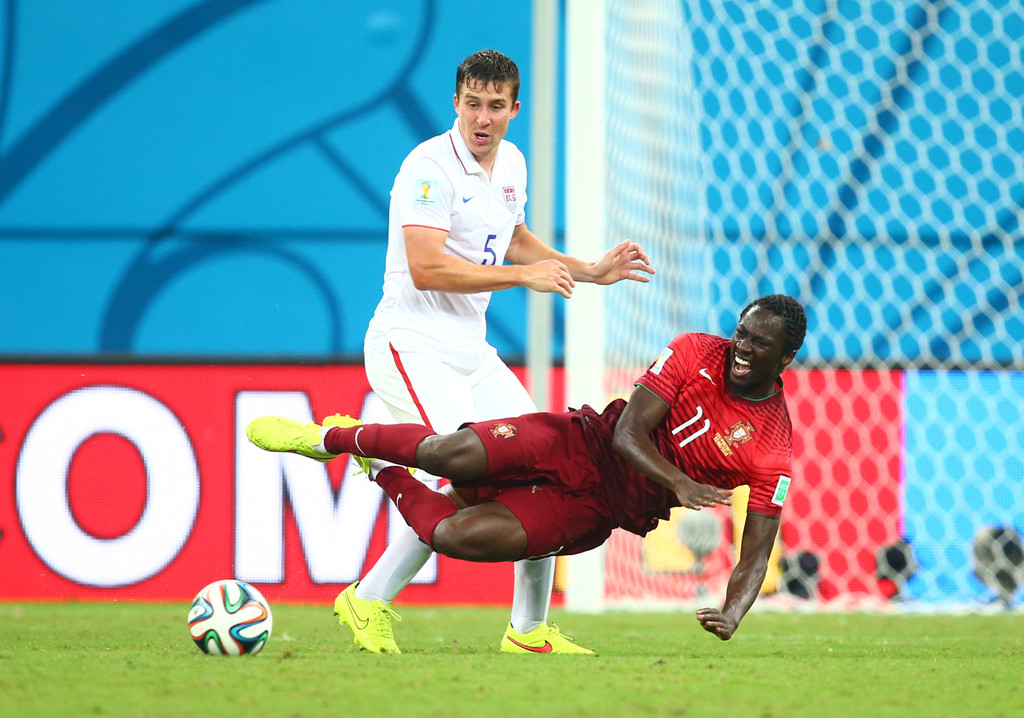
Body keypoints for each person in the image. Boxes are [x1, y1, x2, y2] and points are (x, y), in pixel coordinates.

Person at [248, 294, 807, 644]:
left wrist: (733, 612)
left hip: (599, 509)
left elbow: (756, 548)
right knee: (449, 454)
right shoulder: (693, 351)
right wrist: (680, 482)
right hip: (577, 441)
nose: (742, 347)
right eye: (742, 332)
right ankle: (330, 437)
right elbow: (627, 433)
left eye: (760, 344)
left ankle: (378, 468)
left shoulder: (773, 447)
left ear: (785, 359)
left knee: (454, 534)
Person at [340, 49, 655, 654]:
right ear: (456, 103)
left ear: (514, 108)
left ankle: (526, 631)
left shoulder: (511, 162)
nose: (482, 119)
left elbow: (513, 239)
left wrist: (588, 270)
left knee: (547, 466)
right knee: (472, 468)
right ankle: (373, 468)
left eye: (495, 106)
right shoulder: (427, 168)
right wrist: (524, 278)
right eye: (472, 105)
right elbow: (427, 269)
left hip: (470, 350)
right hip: (412, 344)